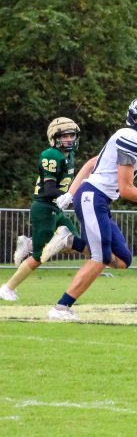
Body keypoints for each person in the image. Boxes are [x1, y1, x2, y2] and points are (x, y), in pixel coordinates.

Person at [46, 97, 137, 321]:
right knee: (100, 257)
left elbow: (91, 163)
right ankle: (61, 308)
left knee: (123, 259)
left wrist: (71, 192)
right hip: (93, 198)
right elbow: (126, 189)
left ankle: (69, 241)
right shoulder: (131, 138)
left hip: (97, 199)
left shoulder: (132, 139)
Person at [1, 118, 96, 301]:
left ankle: (29, 243)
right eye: (64, 136)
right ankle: (7, 288)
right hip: (44, 207)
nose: (69, 139)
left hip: (55, 207)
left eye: (71, 135)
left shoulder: (70, 155)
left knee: (74, 244)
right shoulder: (51, 155)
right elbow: (50, 188)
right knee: (39, 257)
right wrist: (71, 195)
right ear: (54, 138)